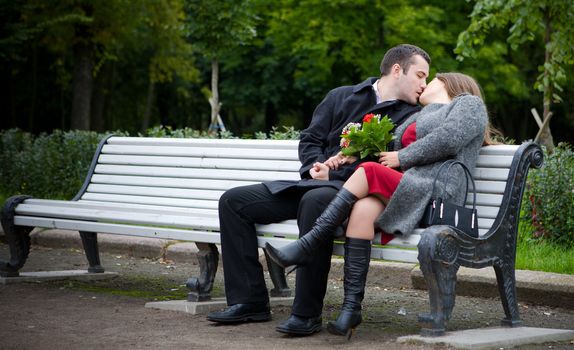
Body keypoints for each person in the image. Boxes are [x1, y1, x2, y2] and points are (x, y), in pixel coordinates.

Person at [206, 44, 431, 336]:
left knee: (315, 202)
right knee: (233, 201)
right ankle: (249, 301)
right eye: (420, 75)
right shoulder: (341, 96)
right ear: (397, 70)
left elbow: (390, 164)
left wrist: (338, 172)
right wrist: (316, 166)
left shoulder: (410, 117)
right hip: (314, 183)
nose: (424, 85)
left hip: (356, 195)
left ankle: (306, 314)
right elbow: (310, 138)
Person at [265, 72, 492, 338]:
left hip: (439, 190)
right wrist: (348, 156)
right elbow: (385, 151)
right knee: (362, 210)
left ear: (447, 83)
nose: (423, 86)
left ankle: (308, 244)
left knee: (370, 171)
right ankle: (351, 309)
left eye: (430, 80)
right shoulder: (417, 116)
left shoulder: (468, 105)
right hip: (409, 188)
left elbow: (449, 139)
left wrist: (401, 156)